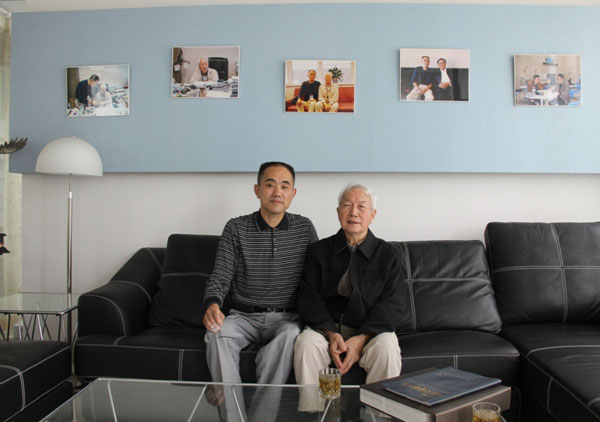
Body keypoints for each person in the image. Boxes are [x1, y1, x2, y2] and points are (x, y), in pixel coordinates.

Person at [203, 161, 318, 388]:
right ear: (257, 190)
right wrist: (213, 304)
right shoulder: (236, 228)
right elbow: (221, 276)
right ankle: (232, 407)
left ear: (293, 193)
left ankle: (264, 409)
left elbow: (316, 278)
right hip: (243, 317)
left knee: (290, 337)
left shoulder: (304, 228)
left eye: (284, 186)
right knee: (216, 334)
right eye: (270, 185)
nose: (277, 192)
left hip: (287, 319)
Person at [294, 184, 402, 409]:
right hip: (327, 329)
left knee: (387, 348)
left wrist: (362, 337)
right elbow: (309, 298)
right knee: (306, 344)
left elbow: (393, 303)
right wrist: (331, 333)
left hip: (371, 332)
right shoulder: (318, 251)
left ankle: (378, 415)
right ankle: (316, 414)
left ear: (372, 215)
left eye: (361, 207)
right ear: (338, 212)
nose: (353, 212)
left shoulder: (389, 254)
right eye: (347, 206)